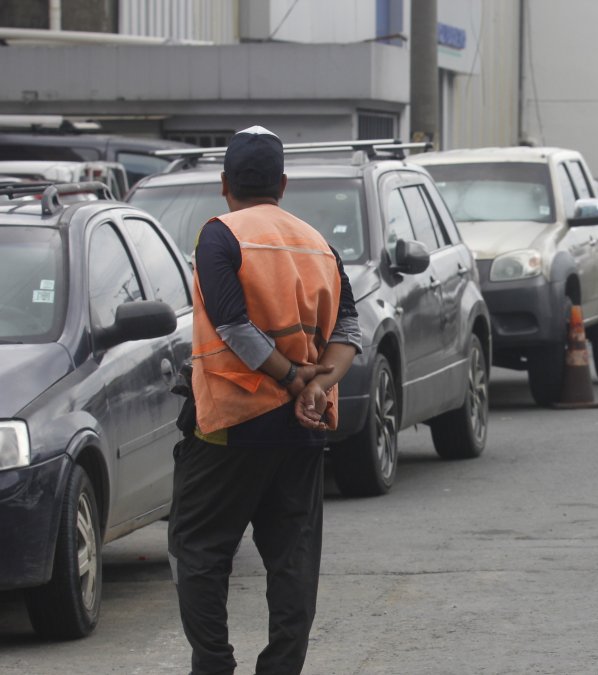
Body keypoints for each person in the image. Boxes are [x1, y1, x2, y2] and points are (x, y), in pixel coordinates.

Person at [168, 126, 360, 675]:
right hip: (303, 429)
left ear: (225, 184)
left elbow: (232, 325)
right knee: (293, 559)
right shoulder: (316, 242)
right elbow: (349, 327)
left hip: (229, 424)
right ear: (282, 183)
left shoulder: (219, 235)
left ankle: (214, 665)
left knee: (199, 551)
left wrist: (295, 378)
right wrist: (318, 385)